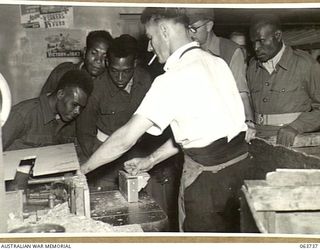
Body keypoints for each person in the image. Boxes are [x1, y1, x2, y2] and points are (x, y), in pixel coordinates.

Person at [80, 7, 253, 232]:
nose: (150, 47)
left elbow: (125, 139)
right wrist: (150, 160)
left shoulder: (172, 79)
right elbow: (196, 132)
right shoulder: (216, 63)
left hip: (207, 185)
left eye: (150, 38)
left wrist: (82, 170)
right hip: (241, 175)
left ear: (163, 30)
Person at [247, 14, 320, 146]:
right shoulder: (253, 67)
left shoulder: (305, 64)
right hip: (258, 142)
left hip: (294, 142)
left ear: (278, 36)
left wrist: (296, 127)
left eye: (261, 40)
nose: (256, 47)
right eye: (253, 42)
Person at [184, 8, 255, 141]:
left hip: (224, 129)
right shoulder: (187, 52)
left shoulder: (230, 51)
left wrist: (249, 121)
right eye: (186, 29)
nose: (189, 34)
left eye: (193, 29)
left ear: (209, 26)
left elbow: (241, 93)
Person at [2, 69, 93, 151]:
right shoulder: (22, 115)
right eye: (74, 104)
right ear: (60, 94)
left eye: (81, 107)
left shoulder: (63, 119)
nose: (77, 111)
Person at [40, 30, 113, 94]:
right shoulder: (62, 72)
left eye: (104, 56)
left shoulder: (110, 83)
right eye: (94, 53)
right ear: (85, 53)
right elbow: (42, 104)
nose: (98, 60)